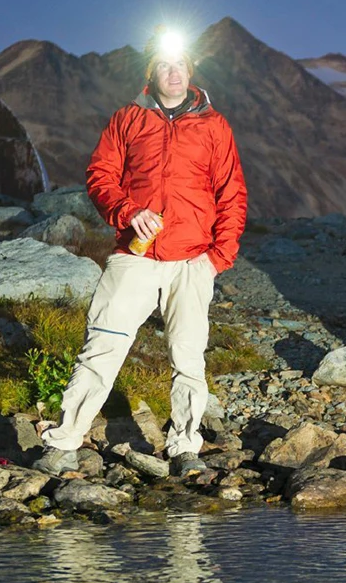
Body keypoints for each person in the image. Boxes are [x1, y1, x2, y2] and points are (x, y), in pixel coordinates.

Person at [34, 26, 247, 476]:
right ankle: (65, 440)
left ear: (191, 69)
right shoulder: (127, 119)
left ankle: (185, 447)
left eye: (180, 64)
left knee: (188, 357)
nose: (174, 72)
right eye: (164, 65)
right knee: (102, 345)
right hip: (135, 255)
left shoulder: (215, 126)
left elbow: (232, 194)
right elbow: (100, 177)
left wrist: (217, 258)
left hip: (192, 260)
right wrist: (128, 212)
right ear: (151, 72)